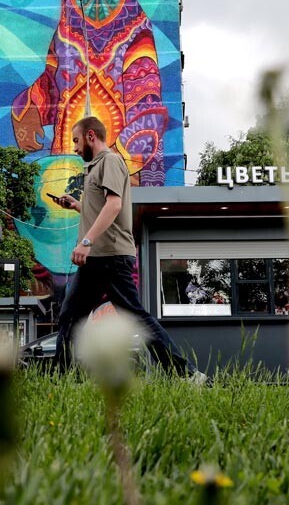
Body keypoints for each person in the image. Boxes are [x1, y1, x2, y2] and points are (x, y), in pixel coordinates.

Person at [51, 116, 207, 383]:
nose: (75, 148)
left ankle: (187, 375)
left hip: (109, 257)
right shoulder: (93, 167)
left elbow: (114, 205)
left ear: (91, 136)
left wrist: (85, 242)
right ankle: (60, 379)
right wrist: (77, 206)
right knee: (69, 315)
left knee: (135, 317)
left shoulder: (109, 161)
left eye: (76, 141)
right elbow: (102, 209)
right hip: (97, 259)